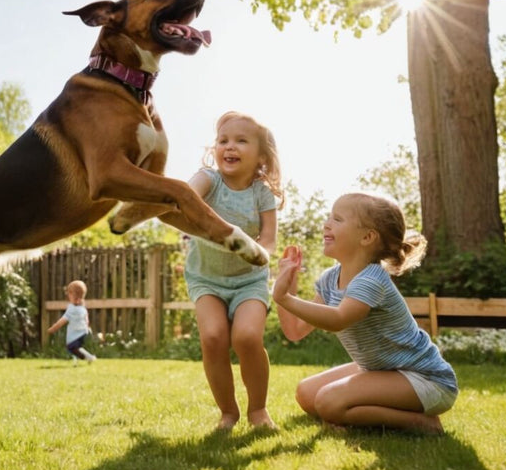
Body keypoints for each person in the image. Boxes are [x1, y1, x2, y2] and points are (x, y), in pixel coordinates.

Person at [272, 193, 458, 434]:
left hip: (425, 379)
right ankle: (348, 410)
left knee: (328, 402)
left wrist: (285, 298)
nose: (326, 224)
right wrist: (288, 288)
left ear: (367, 237)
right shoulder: (330, 279)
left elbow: (338, 320)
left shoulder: (372, 279)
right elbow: (295, 331)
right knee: (306, 394)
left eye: (337, 219)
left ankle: (421, 423)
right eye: (329, 217)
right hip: (382, 371)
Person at [182, 111, 285, 430]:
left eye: (241, 141)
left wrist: (259, 254)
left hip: (248, 280)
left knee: (247, 337)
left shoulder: (261, 193)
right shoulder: (208, 179)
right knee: (212, 337)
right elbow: (185, 197)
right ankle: (228, 412)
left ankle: (258, 410)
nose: (230, 147)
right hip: (206, 278)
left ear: (261, 156)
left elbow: (267, 241)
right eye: (223, 140)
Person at [48, 280, 97, 364]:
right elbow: (86, 317)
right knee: (76, 347)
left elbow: (63, 320)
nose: (68, 296)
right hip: (83, 332)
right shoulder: (82, 307)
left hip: (76, 333)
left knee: (72, 347)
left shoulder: (72, 309)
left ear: (73, 296)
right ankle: (76, 361)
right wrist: (87, 325)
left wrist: (53, 328)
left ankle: (89, 357)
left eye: (69, 294)